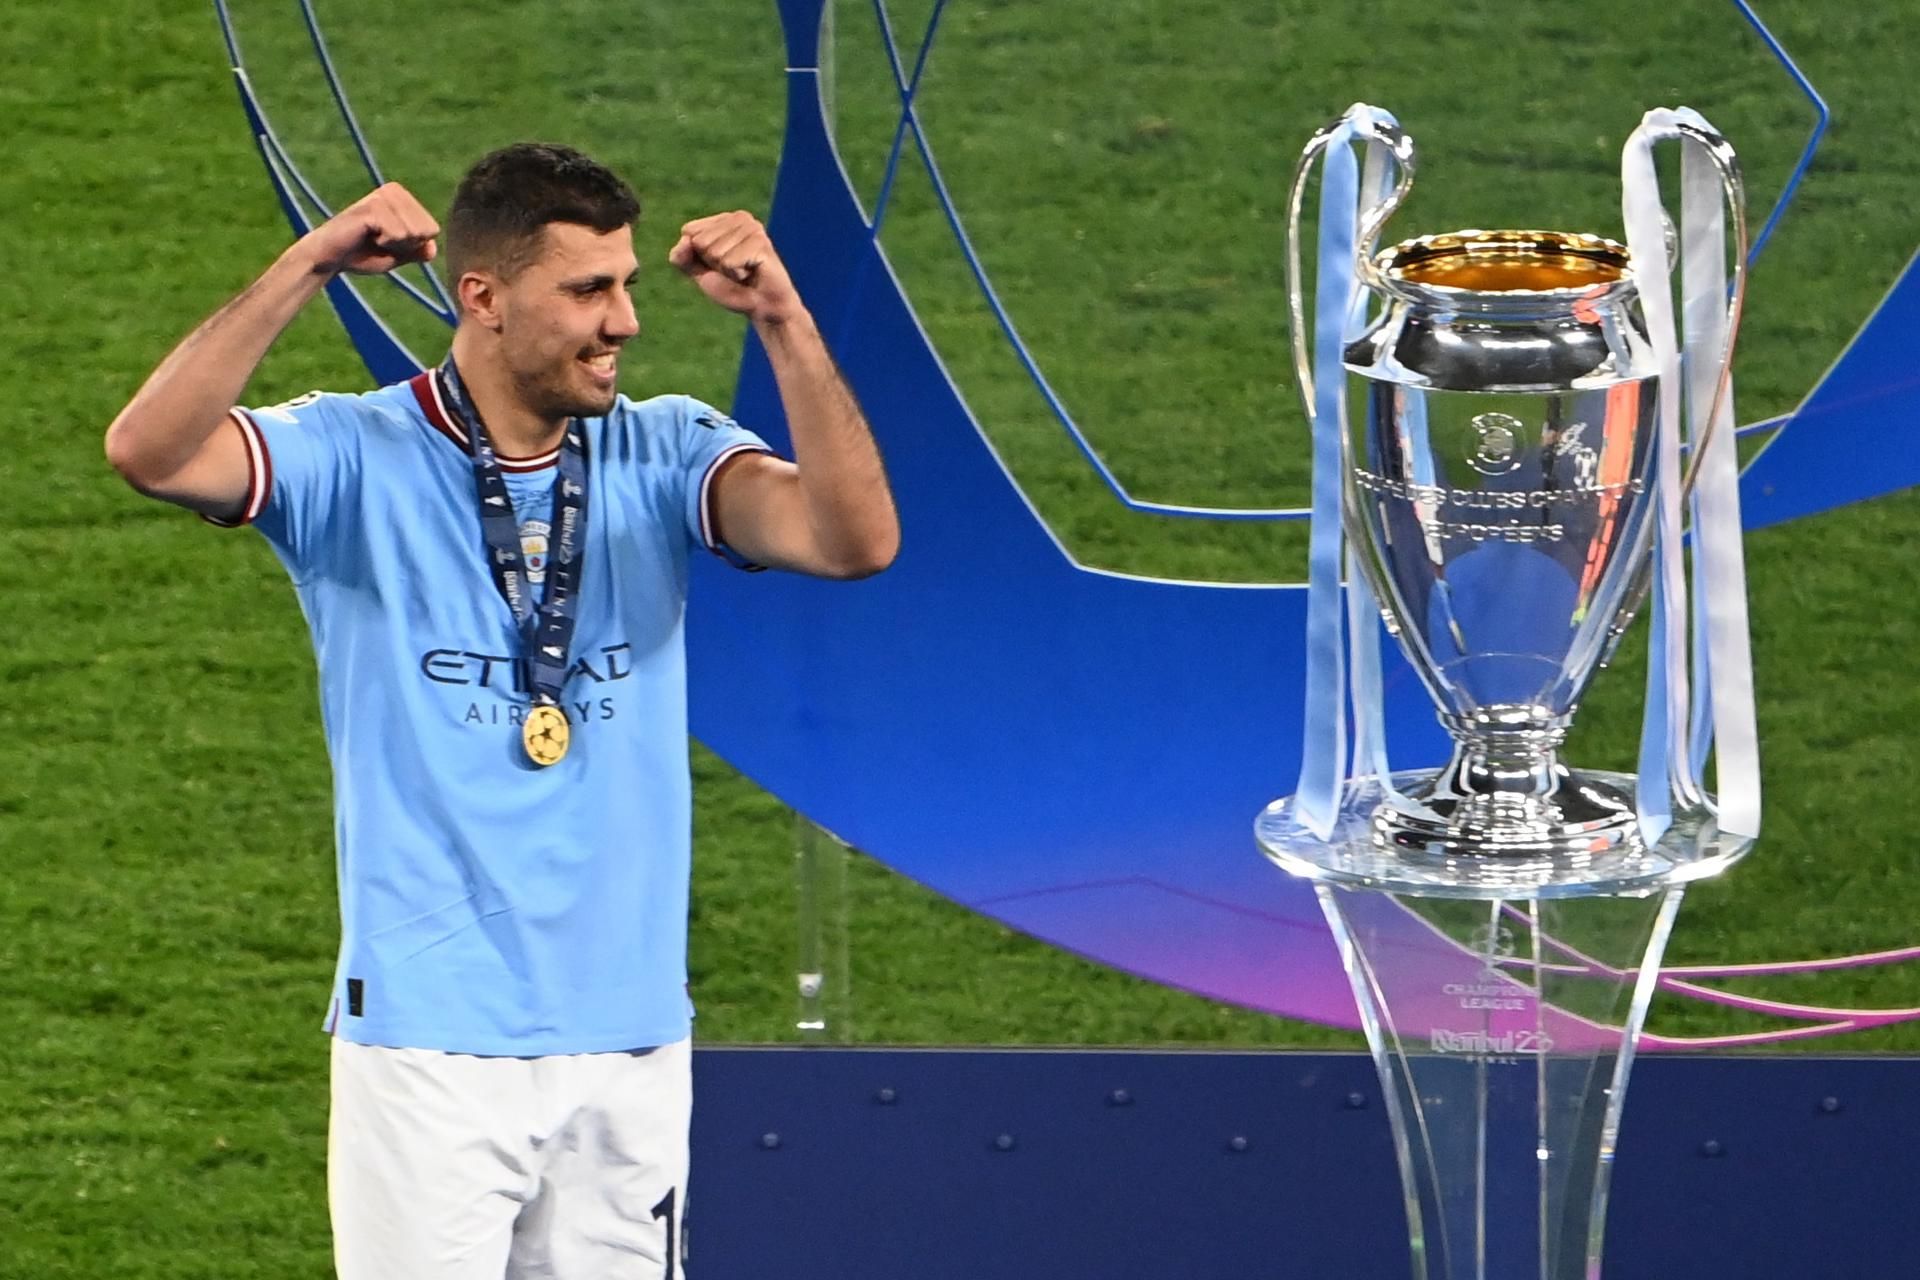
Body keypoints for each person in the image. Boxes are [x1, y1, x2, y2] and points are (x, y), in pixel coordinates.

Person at [104, 142, 899, 1279]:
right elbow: (148, 448)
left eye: (624, 284)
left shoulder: (662, 448)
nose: (623, 318)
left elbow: (855, 540)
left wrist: (783, 320)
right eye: (588, 290)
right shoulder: (351, 454)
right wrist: (310, 264)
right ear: (481, 297)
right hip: (431, 1039)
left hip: (627, 1031)